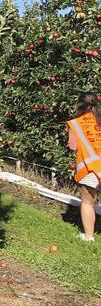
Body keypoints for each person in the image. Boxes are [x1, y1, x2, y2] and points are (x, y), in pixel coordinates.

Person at [67, 92, 101, 241]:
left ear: (79, 105)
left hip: (90, 167)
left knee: (88, 202)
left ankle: (88, 237)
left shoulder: (76, 123)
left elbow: (73, 146)